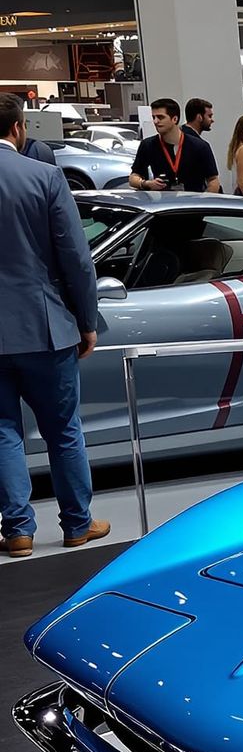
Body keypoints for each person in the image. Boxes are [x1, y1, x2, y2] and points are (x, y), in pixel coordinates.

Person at [0, 93, 107, 558]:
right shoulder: (45, 176)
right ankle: (77, 525)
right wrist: (87, 320)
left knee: (3, 431)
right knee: (63, 429)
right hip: (46, 326)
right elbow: (77, 260)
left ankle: (18, 530)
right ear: (19, 128)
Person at [130, 96, 220, 193]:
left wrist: (204, 202)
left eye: (161, 117)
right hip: (164, 204)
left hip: (193, 202)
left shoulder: (200, 146)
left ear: (174, 119)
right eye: (153, 117)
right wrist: (146, 183)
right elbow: (134, 177)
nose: (155, 121)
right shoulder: (148, 145)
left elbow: (213, 180)